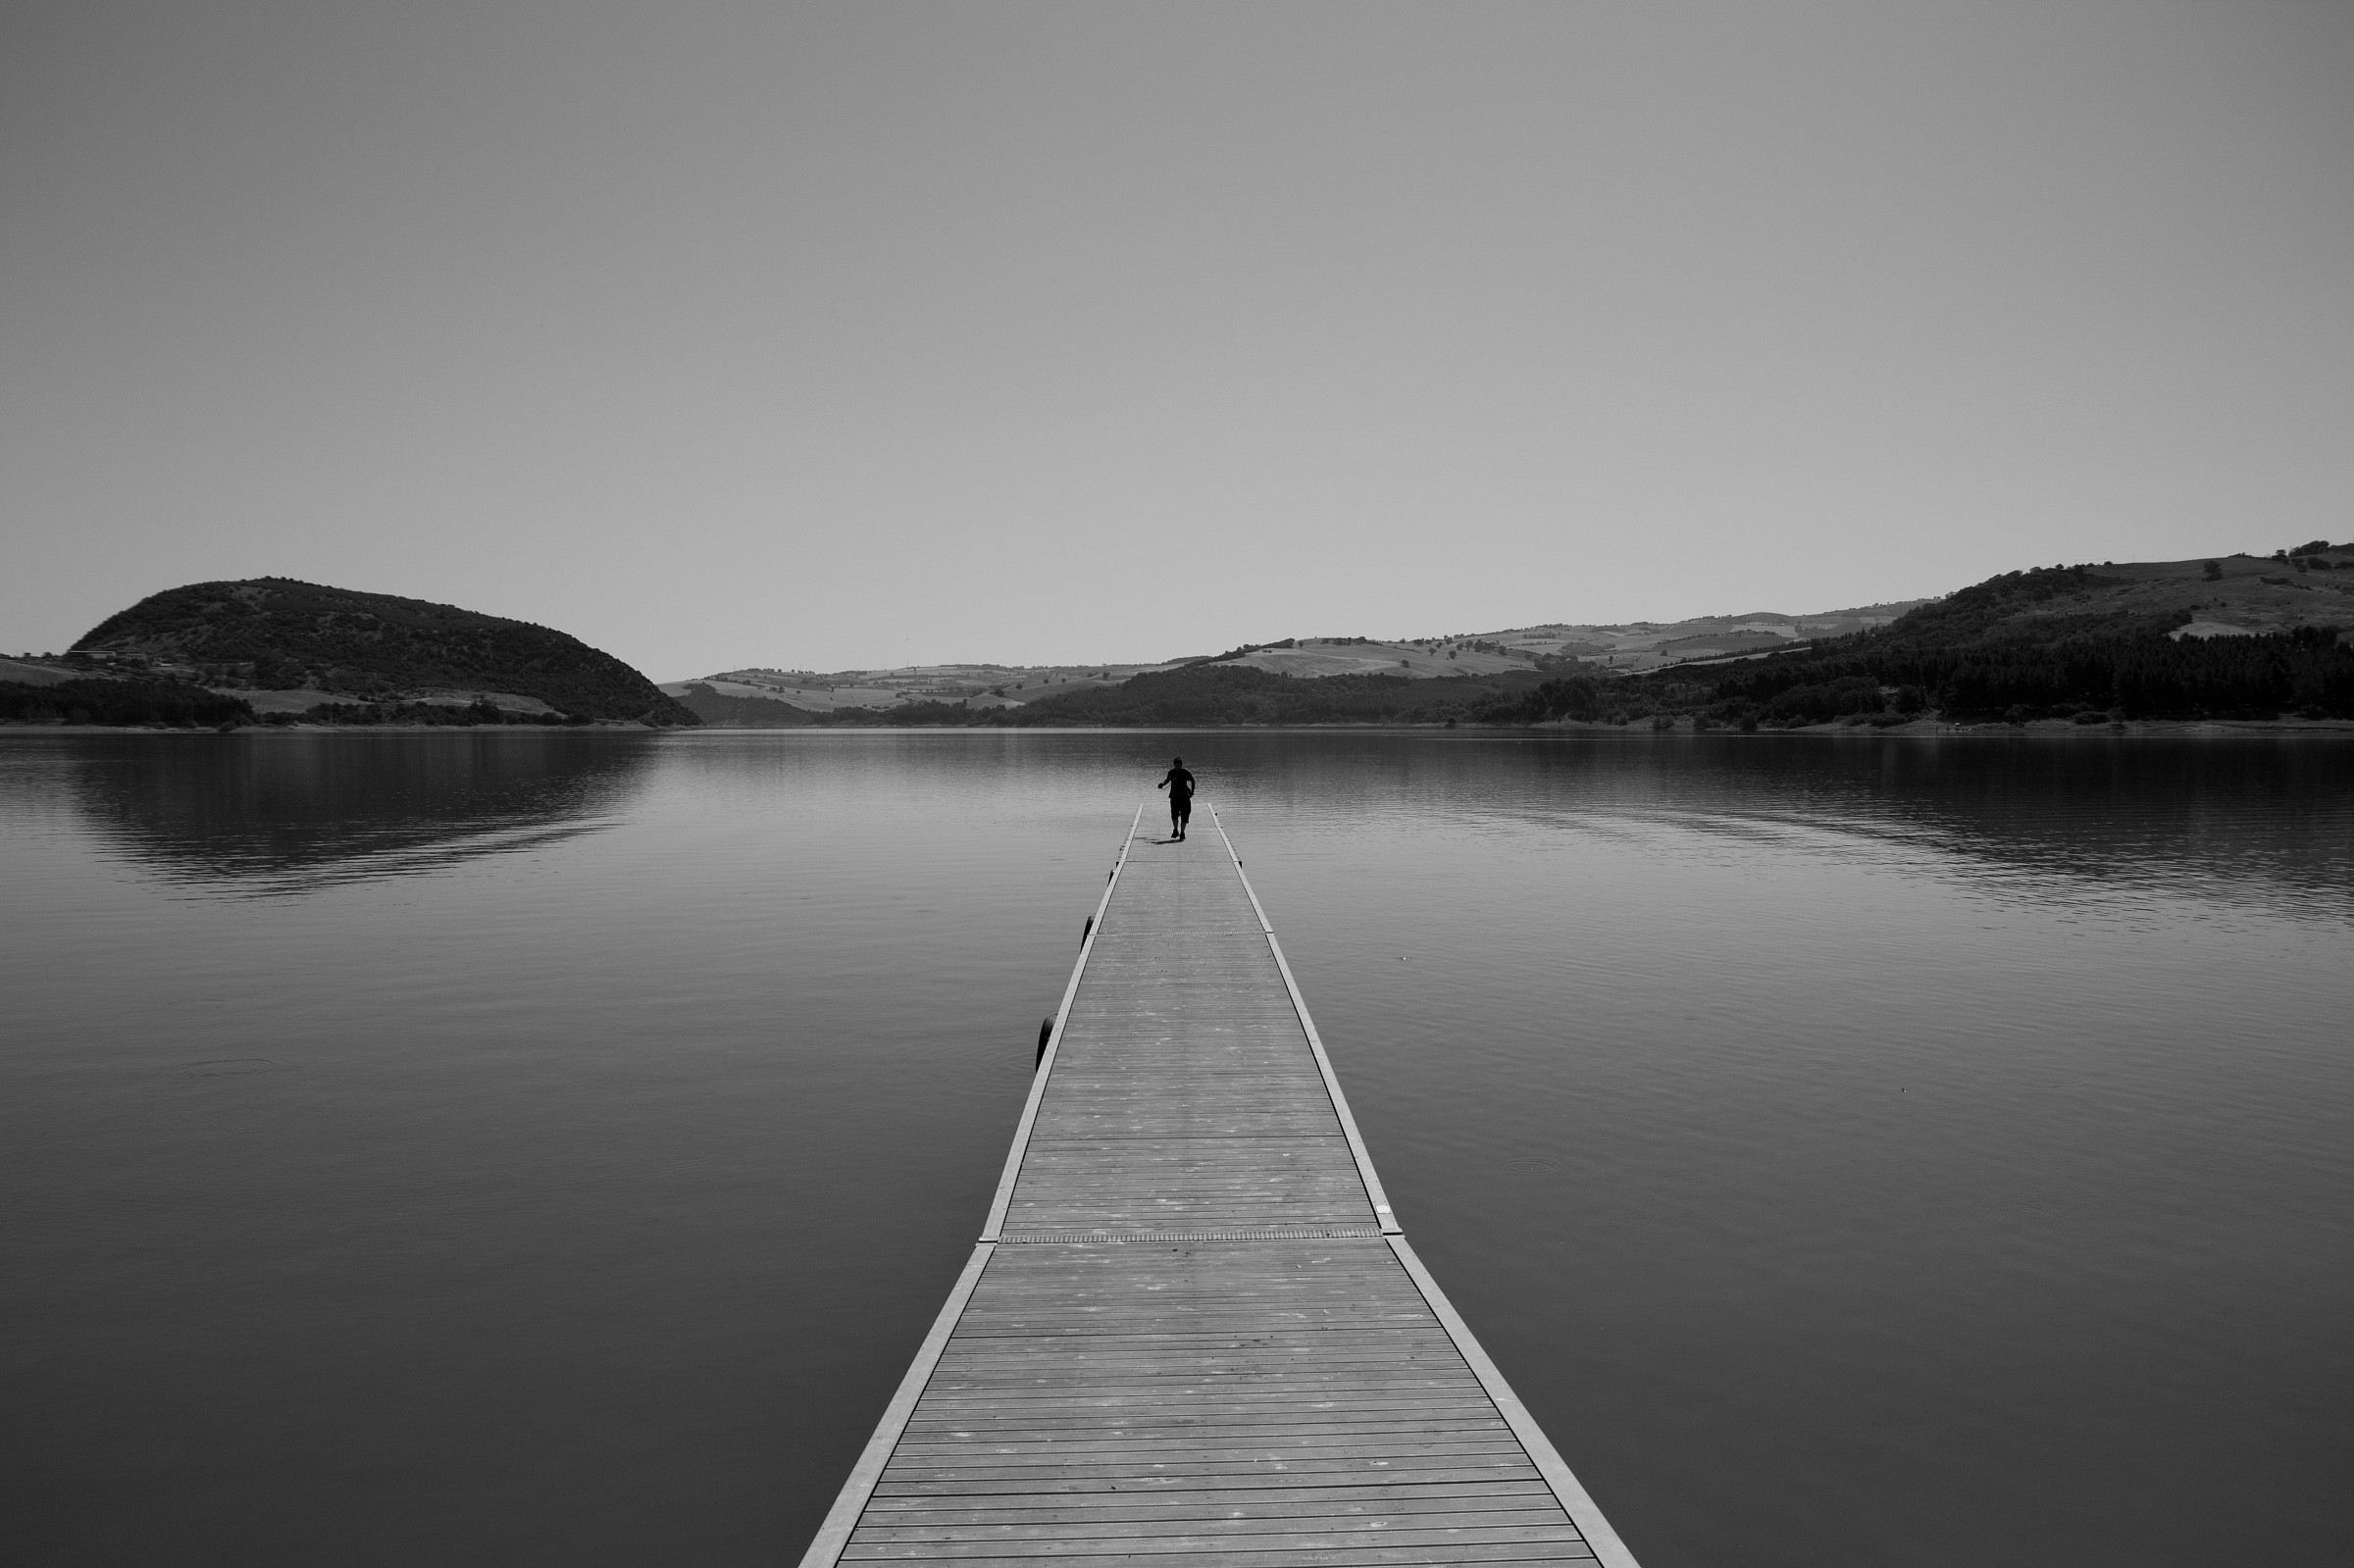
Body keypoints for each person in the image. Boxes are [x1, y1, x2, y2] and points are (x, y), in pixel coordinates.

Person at [1156, 757, 1195, 840]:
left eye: (1179, 765)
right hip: (1174, 797)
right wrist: (1162, 784)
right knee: (1174, 815)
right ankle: (1175, 830)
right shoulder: (1171, 773)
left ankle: (1182, 833)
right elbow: (1167, 780)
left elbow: (1192, 780)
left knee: (1185, 815)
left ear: (1181, 765)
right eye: (1176, 765)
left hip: (1184, 797)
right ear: (1174, 765)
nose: (1178, 767)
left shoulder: (1185, 773)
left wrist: (1192, 792)